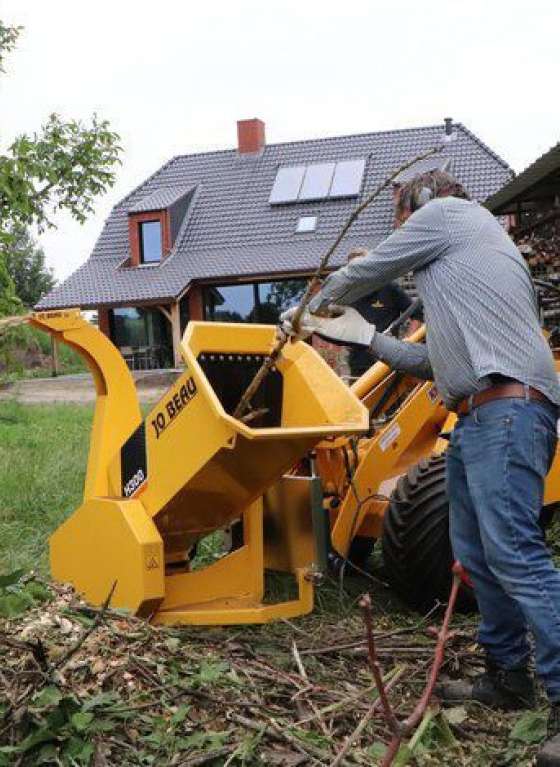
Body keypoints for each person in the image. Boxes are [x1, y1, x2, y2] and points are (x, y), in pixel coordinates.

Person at [279, 169, 560, 766]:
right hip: (479, 414)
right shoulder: (469, 265)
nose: (404, 235)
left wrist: (307, 310)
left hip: (507, 409)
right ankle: (508, 678)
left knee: (515, 552)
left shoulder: (448, 215)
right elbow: (430, 363)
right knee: (479, 555)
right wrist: (364, 336)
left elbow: (366, 269)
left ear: (423, 205)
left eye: (402, 224)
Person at [341, 247, 422, 378]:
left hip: (388, 362)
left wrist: (409, 341)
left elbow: (417, 314)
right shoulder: (347, 295)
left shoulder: (389, 288)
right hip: (358, 365)